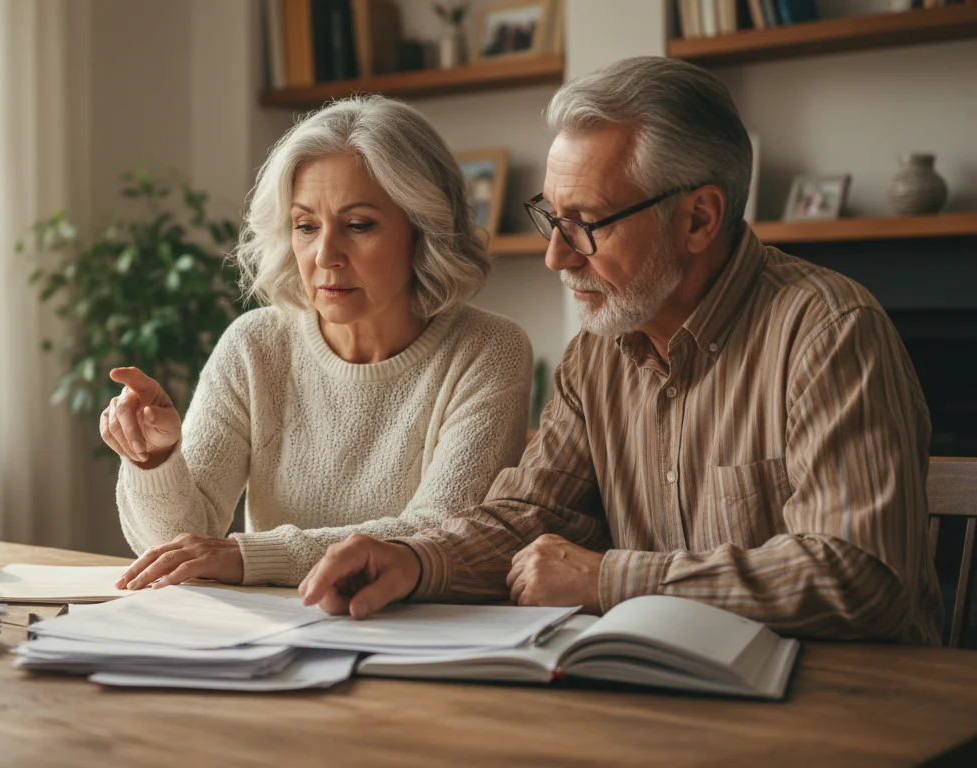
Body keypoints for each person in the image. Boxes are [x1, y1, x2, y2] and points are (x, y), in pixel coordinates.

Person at [299, 57, 943, 645]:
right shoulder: (597, 352)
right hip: (666, 689)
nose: (557, 255)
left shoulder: (829, 332)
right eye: (551, 218)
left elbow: (858, 576)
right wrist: (414, 560)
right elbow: (534, 516)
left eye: (585, 223)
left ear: (698, 219)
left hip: (848, 706)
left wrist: (611, 579)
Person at [102, 96, 533, 591]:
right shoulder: (255, 343)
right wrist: (156, 460)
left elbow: (437, 534)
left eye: (358, 225)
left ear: (424, 230)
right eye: (306, 226)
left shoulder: (489, 349)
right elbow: (178, 550)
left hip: (410, 637)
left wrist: (250, 556)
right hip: (272, 636)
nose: (325, 255)